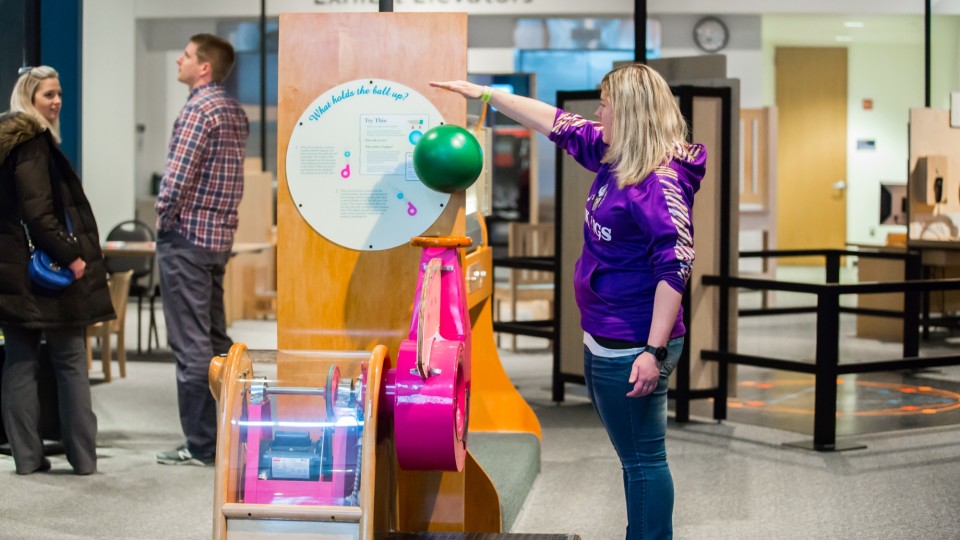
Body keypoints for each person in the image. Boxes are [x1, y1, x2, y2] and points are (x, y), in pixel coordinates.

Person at [432, 64, 705, 539]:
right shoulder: (615, 150)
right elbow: (553, 122)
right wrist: (486, 95)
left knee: (643, 462)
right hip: (607, 334)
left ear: (632, 115)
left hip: (634, 343)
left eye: (605, 106)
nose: (596, 113)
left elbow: (675, 269)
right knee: (635, 459)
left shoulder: (658, 183)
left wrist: (653, 352)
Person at [0, 66, 114, 475]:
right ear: (28, 98)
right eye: (48, 94)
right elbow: (38, 213)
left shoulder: (14, 142)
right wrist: (72, 256)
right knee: (68, 361)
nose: (57, 101)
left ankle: (28, 459)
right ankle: (83, 459)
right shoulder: (32, 143)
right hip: (44, 276)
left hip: (13, 275)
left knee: (20, 362)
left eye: (59, 93)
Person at [154, 34, 249, 466]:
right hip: (217, 241)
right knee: (215, 341)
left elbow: (176, 180)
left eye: (187, 55)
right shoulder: (233, 110)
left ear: (204, 67)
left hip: (187, 240)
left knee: (191, 345)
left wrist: (163, 220)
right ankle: (231, 434)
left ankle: (201, 445)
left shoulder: (198, 108)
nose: (180, 59)